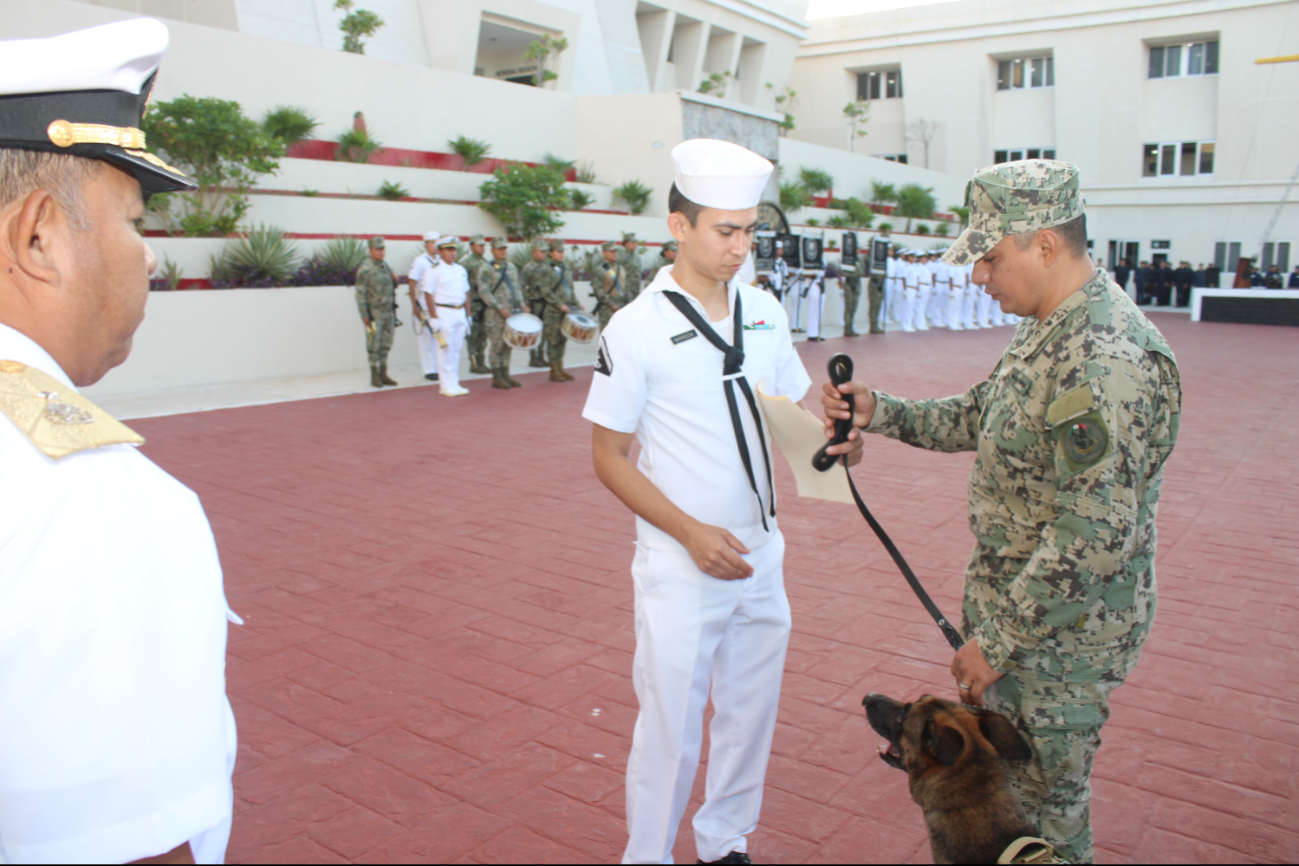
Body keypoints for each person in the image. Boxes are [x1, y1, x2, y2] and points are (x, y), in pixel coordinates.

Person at [820, 159, 1181, 864]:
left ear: (1044, 244)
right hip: (1021, 629)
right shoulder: (1051, 328)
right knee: (1007, 814)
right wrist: (880, 410)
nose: (977, 277)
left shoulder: (1102, 355)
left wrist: (999, 640)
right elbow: (981, 416)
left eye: (988, 257)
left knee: (1043, 822)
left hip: (1058, 643)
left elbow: (1096, 530)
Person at [0, 18, 239, 864]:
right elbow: (122, 839)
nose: (149, 260)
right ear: (38, 236)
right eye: (136, 221)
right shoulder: (85, 493)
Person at [584, 138, 811, 866]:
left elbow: (792, 417)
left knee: (750, 714)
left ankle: (723, 841)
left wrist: (834, 441)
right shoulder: (637, 326)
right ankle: (646, 854)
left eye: (749, 230)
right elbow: (607, 457)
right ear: (679, 225)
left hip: (761, 550)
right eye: (725, 230)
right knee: (670, 725)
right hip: (682, 560)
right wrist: (688, 533)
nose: (740, 246)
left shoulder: (767, 311)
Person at [476, 237, 528, 390]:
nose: (503, 251)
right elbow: (483, 291)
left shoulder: (511, 267)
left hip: (511, 314)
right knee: (497, 345)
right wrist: (499, 307)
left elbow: (517, 289)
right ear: (492, 250)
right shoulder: (487, 268)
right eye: (499, 248)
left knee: (508, 344)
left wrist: (522, 305)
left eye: (504, 248)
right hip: (495, 314)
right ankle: (496, 376)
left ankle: (506, 374)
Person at [427, 236, 471, 396]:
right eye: (448, 250)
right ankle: (445, 385)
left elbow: (466, 293)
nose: (452, 253)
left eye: (454, 250)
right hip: (444, 312)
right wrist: (433, 317)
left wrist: (469, 315)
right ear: (440, 251)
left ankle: (454, 382)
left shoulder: (460, 270)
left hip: (459, 312)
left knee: (456, 349)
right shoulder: (434, 271)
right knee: (445, 350)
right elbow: (428, 294)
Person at [357, 236, 399, 387]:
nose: (381, 252)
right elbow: (360, 294)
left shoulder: (386, 267)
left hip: (388, 312)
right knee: (374, 344)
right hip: (374, 313)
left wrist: (395, 281)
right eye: (378, 249)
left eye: (383, 249)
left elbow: (390, 288)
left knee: (386, 343)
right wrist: (364, 315)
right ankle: (374, 374)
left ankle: (383, 372)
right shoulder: (365, 270)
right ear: (370, 251)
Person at [542, 239, 581, 382]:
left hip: (566, 312)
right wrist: (559, 305)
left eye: (562, 251)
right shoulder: (546, 269)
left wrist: (577, 303)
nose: (561, 254)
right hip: (553, 311)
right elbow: (545, 291)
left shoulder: (566, 268)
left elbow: (570, 289)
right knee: (553, 340)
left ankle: (561, 367)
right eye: (558, 252)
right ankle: (553, 370)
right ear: (551, 253)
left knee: (562, 340)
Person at [408, 230, 442, 382]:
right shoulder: (420, 261)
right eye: (432, 243)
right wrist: (414, 305)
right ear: (426, 245)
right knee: (426, 336)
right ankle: (429, 369)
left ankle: (439, 366)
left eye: (437, 242)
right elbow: (412, 282)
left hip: (440, 301)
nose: (435, 246)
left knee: (439, 334)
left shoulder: (442, 260)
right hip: (424, 301)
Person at [521, 241, 552, 368]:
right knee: (534, 331)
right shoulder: (529, 268)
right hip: (534, 303)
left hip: (546, 303)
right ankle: (533, 357)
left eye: (545, 251)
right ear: (534, 253)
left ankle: (541, 355)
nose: (544, 254)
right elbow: (522, 286)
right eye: (541, 251)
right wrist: (525, 303)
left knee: (544, 332)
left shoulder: (548, 267)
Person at [463, 234, 490, 374]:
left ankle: (481, 362)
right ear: (472, 246)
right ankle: (473, 364)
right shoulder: (466, 263)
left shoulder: (486, 262)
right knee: (473, 335)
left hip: (484, 304)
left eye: (483, 245)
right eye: (479, 245)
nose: (482, 248)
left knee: (483, 335)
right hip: (473, 305)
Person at [594, 240, 628, 332]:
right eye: (611, 251)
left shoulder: (621, 269)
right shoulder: (600, 270)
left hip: (622, 307)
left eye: (615, 251)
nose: (614, 254)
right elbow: (597, 290)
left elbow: (626, 288)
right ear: (604, 253)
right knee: (607, 337)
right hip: (607, 309)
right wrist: (611, 303)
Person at [839, 240, 864, 337]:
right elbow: (841, 271)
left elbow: (861, 272)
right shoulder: (846, 259)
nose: (858, 251)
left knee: (854, 307)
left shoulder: (859, 260)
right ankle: (847, 328)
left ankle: (851, 327)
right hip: (849, 285)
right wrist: (852, 273)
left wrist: (851, 273)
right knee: (848, 307)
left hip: (857, 285)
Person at [620, 232, 644, 301]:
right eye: (632, 242)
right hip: (626, 290)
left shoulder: (636, 257)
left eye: (635, 242)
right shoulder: (622, 257)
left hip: (636, 289)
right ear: (626, 244)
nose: (635, 244)